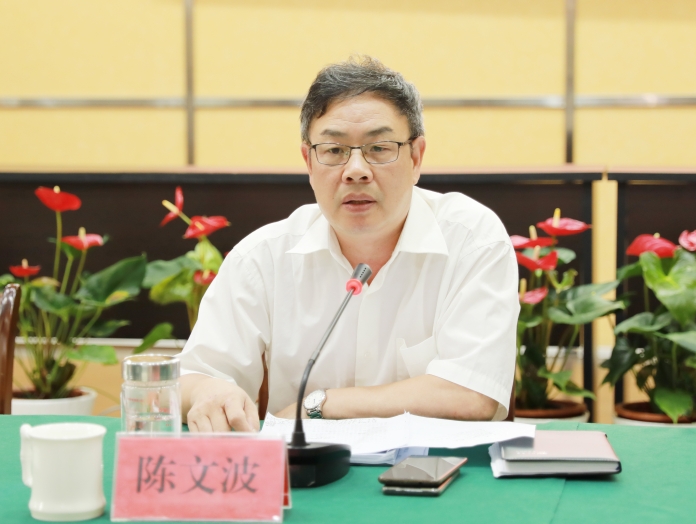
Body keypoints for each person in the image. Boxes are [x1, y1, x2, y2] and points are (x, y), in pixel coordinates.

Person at [179, 56, 519, 433]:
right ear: (309, 161)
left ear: (416, 157)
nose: (356, 170)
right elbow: (192, 378)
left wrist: (320, 405)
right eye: (334, 150)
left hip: (439, 467)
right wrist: (209, 391)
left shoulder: (471, 240)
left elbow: (472, 395)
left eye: (379, 148)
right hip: (305, 469)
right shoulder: (262, 259)